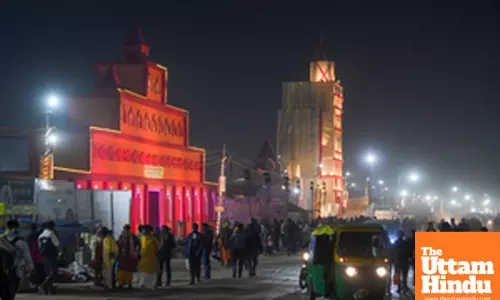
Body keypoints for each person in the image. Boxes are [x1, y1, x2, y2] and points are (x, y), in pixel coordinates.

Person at [4, 220, 34, 289]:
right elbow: (27, 256)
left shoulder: (2, 239)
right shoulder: (21, 242)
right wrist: (31, 266)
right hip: (16, 268)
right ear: (17, 228)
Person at [38, 220, 61, 295]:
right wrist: (60, 253)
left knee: (48, 273)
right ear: (52, 227)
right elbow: (57, 244)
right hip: (51, 255)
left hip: (43, 256)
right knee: (53, 272)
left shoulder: (41, 235)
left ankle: (49, 290)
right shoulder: (51, 233)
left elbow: (39, 246)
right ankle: (42, 286)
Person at [138, 225, 160, 289]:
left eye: (144, 230)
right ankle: (142, 284)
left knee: (152, 272)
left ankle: (152, 285)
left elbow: (158, 248)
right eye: (143, 230)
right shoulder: (142, 238)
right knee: (143, 272)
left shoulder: (154, 239)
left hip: (152, 258)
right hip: (144, 258)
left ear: (149, 231)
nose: (143, 231)